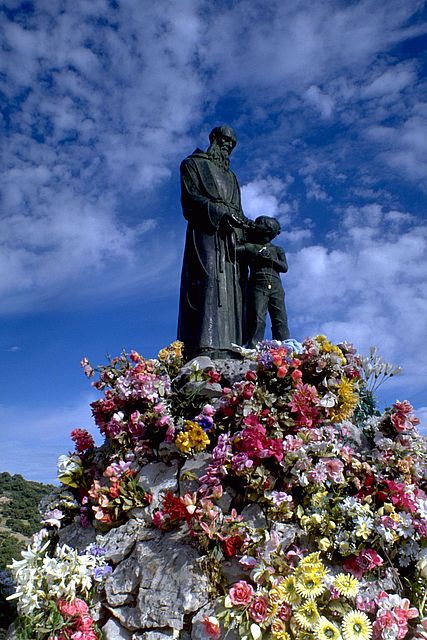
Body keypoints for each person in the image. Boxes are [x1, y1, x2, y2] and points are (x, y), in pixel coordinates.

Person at [177, 125, 251, 360]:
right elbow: (191, 200)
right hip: (207, 233)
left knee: (235, 288)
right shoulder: (193, 164)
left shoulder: (232, 177)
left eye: (232, 144)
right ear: (214, 139)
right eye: (226, 140)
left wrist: (248, 227)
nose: (228, 146)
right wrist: (218, 212)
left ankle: (232, 347)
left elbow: (239, 209)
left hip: (231, 239)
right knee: (208, 280)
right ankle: (203, 346)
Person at [239, 215, 290, 347]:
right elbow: (233, 250)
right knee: (257, 316)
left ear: (268, 230)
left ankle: (284, 346)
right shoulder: (250, 247)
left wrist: (270, 260)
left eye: (260, 223)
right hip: (257, 283)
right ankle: (253, 346)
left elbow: (284, 267)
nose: (256, 225)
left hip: (276, 285)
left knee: (280, 318)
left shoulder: (278, 250)